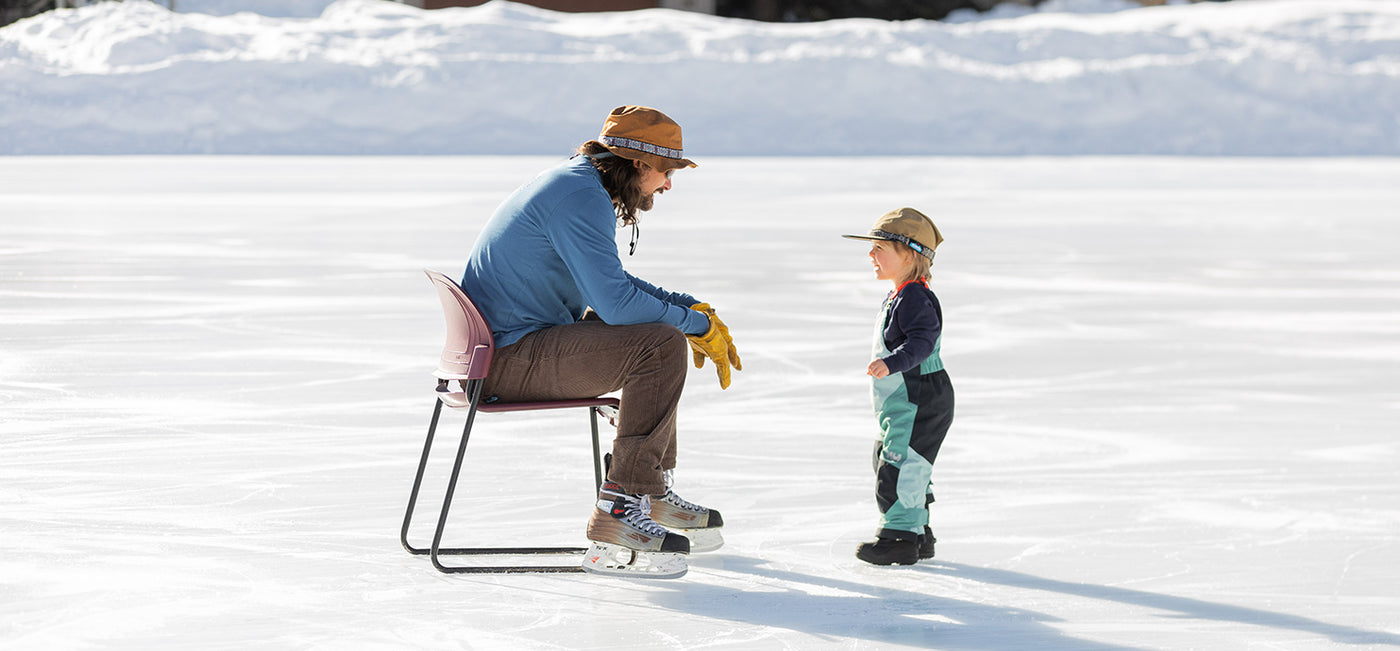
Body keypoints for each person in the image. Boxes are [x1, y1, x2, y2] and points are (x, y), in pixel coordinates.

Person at [459, 105, 740, 578]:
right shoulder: (578, 197)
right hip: (506, 361)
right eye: (667, 171)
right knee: (660, 344)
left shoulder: (576, 186)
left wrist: (688, 306)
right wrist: (692, 325)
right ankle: (621, 509)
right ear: (638, 164)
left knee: (659, 333)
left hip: (507, 349)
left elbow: (609, 284)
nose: (668, 184)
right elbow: (617, 305)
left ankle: (647, 493)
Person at [842, 208, 954, 566]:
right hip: (905, 400)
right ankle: (918, 532)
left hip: (917, 397)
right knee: (900, 460)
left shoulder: (915, 299)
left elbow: (922, 341)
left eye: (879, 248)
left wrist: (893, 362)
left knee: (900, 464)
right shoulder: (902, 294)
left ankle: (899, 538)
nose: (870, 255)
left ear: (909, 254)